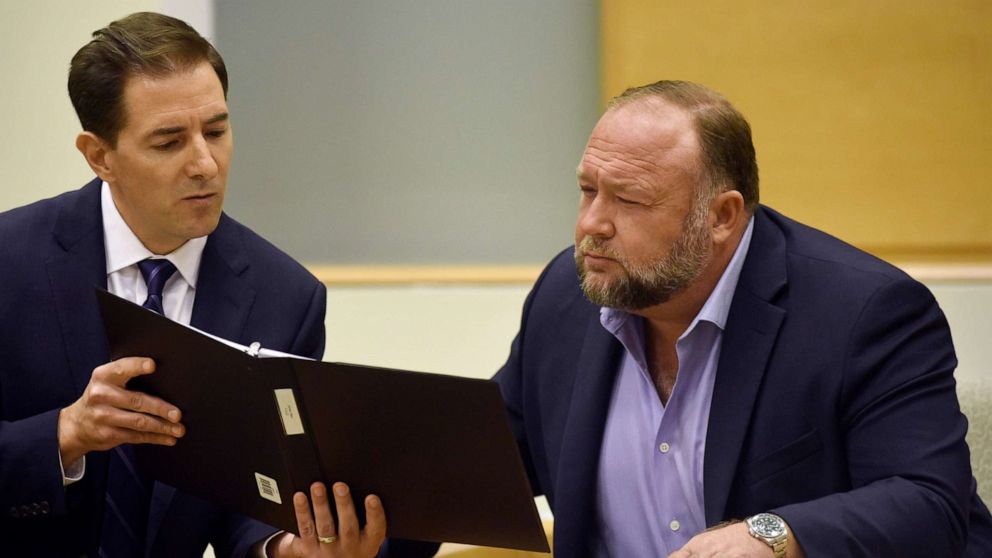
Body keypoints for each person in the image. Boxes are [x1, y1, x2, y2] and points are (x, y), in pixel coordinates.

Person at [484, 80, 992, 557]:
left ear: (722, 217)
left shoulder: (865, 313)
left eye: (629, 199)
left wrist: (774, 535)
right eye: (588, 190)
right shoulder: (567, 296)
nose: (592, 223)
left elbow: (928, 504)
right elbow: (476, 470)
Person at [0, 12, 383, 558]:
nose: (205, 163)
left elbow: (252, 498)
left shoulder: (287, 297)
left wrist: (282, 549)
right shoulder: (9, 261)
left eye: (217, 131)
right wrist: (63, 435)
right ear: (99, 155)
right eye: (169, 142)